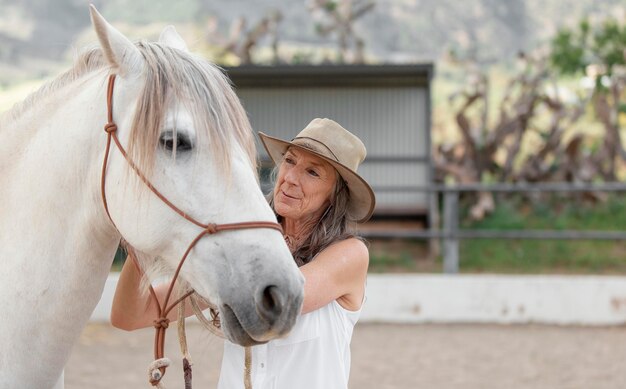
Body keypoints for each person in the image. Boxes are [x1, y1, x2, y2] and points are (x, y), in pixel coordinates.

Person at [111, 118, 376, 389]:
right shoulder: (238, 256)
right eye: (290, 161)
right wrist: (141, 240)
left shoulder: (351, 255)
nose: (291, 178)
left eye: (313, 172)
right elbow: (129, 315)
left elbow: (278, 301)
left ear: (335, 195)